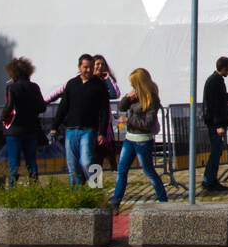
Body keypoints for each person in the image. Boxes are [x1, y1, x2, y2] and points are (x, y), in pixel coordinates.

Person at [110, 68, 168, 213]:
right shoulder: (134, 96)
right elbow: (122, 107)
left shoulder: (151, 99)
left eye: (134, 84)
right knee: (122, 170)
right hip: (130, 138)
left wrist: (129, 120)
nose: (132, 87)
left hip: (143, 140)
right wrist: (127, 97)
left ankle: (163, 200)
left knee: (149, 171)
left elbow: (147, 123)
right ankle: (115, 202)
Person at [51, 54, 110, 186]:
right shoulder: (72, 84)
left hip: (89, 130)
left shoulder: (99, 85)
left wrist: (102, 133)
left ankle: (95, 186)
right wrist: (54, 126)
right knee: (72, 164)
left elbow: (105, 111)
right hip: (71, 129)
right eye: (85, 67)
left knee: (86, 161)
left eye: (90, 67)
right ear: (79, 67)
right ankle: (77, 194)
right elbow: (63, 107)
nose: (87, 70)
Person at [1, 57, 47, 187]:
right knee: (31, 161)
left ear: (13, 72)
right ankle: (34, 186)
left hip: (14, 130)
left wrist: (2, 117)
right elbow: (42, 107)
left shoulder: (12, 88)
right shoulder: (34, 87)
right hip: (31, 129)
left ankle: (12, 188)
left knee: (14, 162)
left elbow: (9, 107)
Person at [201, 57, 228, 192]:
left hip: (216, 122)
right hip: (216, 124)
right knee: (215, 152)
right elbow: (215, 105)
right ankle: (209, 180)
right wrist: (218, 125)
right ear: (224, 68)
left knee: (217, 152)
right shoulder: (215, 81)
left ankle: (210, 179)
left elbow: (220, 98)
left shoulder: (216, 80)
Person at [92, 55, 120, 171]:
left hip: (104, 123)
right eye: (97, 64)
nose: (100, 66)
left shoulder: (105, 81)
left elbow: (115, 94)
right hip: (92, 121)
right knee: (95, 153)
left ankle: (111, 175)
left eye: (102, 64)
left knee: (104, 151)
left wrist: (108, 78)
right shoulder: (88, 81)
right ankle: (94, 183)